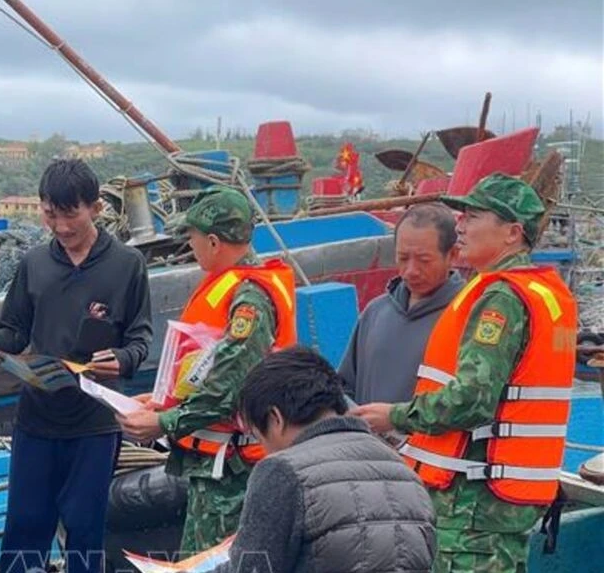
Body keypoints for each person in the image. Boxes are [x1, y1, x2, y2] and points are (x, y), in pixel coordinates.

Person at [353, 173, 578, 573]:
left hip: (474, 506)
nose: (461, 225)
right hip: (499, 503)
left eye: (473, 217)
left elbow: (472, 399)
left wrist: (396, 415)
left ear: (511, 233)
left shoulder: (501, 298)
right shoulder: (542, 292)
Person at [0, 159, 153, 573]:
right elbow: (13, 330)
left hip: (94, 423)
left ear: (96, 208)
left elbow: (140, 338)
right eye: (50, 214)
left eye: (71, 214)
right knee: (24, 527)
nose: (62, 226)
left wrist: (120, 359)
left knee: (85, 529)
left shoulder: (126, 265)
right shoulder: (34, 263)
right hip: (36, 418)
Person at [119, 186, 296, 554]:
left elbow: (227, 387)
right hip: (214, 468)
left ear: (214, 242)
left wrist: (163, 424)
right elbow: (203, 368)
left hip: (233, 474)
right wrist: (160, 402)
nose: (191, 245)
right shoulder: (228, 286)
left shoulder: (249, 300)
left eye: (193, 237)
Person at [207, 346, 435, 573]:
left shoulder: (283, 471)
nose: (265, 449)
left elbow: (251, 568)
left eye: (258, 437)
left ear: (275, 418)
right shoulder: (405, 471)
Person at [339, 203, 465, 403]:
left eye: (424, 260)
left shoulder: (468, 315)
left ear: (453, 255)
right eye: (403, 258)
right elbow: (344, 388)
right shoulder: (375, 312)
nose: (411, 270)